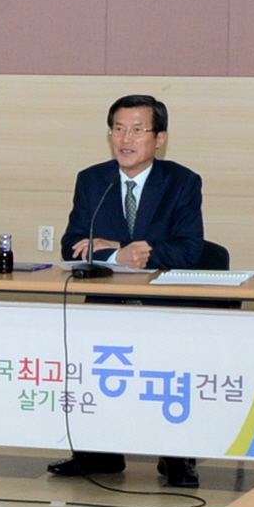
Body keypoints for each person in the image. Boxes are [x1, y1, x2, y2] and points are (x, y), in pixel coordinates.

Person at [50, 95, 207, 486]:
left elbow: (190, 249)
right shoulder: (93, 180)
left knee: (170, 368)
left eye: (138, 130)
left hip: (164, 303)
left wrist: (137, 251)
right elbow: (72, 245)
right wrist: (117, 255)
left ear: (160, 138)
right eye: (118, 129)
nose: (126, 138)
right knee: (89, 359)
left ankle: (176, 455)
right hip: (108, 301)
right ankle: (98, 452)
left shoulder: (182, 182)